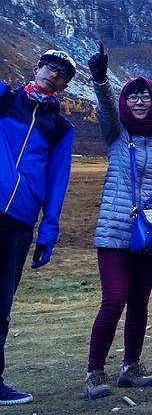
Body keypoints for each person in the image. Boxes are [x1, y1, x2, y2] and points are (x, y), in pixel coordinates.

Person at [84, 44, 152, 399]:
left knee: (140, 301)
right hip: (114, 230)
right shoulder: (116, 133)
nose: (139, 101)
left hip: (151, 232)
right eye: (133, 96)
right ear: (125, 101)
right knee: (114, 300)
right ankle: (94, 372)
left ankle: (131, 367)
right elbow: (106, 109)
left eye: (145, 96)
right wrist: (101, 80)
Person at [0, 50, 75, 405]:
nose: (54, 74)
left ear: (64, 85)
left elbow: (58, 181)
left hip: (19, 221)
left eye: (62, 74)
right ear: (36, 68)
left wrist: (49, 230)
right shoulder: (5, 98)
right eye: (50, 67)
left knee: (1, 304)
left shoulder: (60, 128)